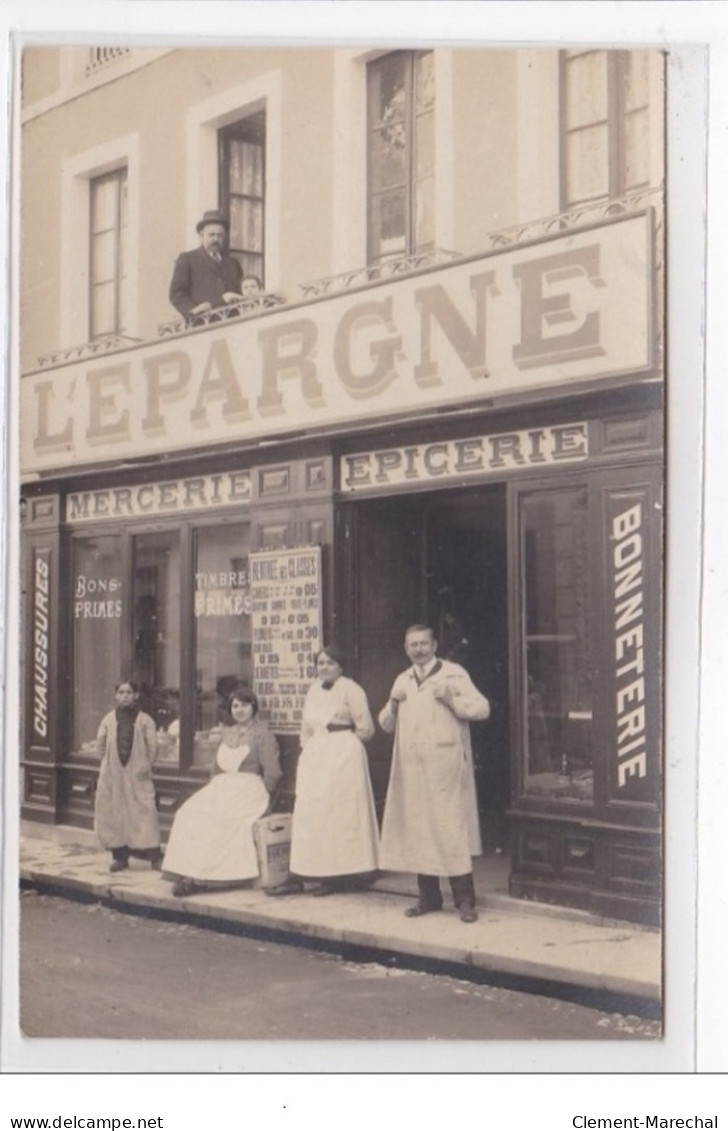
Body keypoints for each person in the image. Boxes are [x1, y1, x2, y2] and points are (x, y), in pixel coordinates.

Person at [378, 625, 491, 923]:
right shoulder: (403, 679)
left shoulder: (453, 674)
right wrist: (392, 701)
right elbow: (385, 724)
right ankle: (428, 898)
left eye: (423, 644)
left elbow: (482, 708)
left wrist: (452, 700)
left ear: (434, 645)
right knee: (420, 830)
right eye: (412, 645)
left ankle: (465, 901)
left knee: (450, 829)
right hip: (412, 768)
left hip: (445, 766)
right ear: (406, 648)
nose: (418, 649)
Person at [268, 645, 378, 897]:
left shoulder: (352, 690)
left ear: (341, 666)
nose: (324, 667)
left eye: (330, 662)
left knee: (338, 815)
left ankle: (338, 876)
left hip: (343, 758)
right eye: (320, 663)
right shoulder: (312, 690)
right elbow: (305, 729)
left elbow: (366, 729)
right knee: (312, 815)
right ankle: (303, 874)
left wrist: (344, 746)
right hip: (316, 758)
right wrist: (311, 751)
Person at [161, 688, 281, 898]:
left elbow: (273, 772)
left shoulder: (263, 735)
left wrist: (266, 799)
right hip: (222, 787)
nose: (240, 710)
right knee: (188, 813)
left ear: (254, 708)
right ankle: (187, 871)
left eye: (245, 705)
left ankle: (205, 878)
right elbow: (216, 769)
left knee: (221, 821)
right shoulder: (227, 733)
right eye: (235, 706)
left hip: (250, 789)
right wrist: (213, 792)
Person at [94, 679, 162, 873]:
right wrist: (108, 764)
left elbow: (153, 747)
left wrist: (145, 766)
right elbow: (100, 745)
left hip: (138, 773)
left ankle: (154, 857)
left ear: (136, 695)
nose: (125, 696)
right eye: (121, 692)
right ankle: (120, 856)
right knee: (116, 813)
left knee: (146, 812)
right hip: (114, 773)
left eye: (129, 692)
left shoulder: (145, 720)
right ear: (116, 696)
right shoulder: (108, 719)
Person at [168, 210, 244, 320]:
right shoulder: (187, 259)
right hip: (202, 326)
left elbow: (242, 292)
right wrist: (194, 311)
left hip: (231, 325)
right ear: (201, 234)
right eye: (211, 235)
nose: (216, 239)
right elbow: (176, 294)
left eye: (220, 235)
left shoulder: (233, 264)